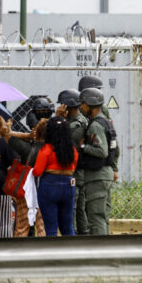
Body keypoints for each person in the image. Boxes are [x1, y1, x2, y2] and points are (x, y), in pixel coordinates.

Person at [79, 88, 117, 235]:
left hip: (97, 177)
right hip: (105, 174)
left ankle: (100, 254)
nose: (81, 107)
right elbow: (115, 148)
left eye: (83, 103)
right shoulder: (106, 122)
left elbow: (102, 151)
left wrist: (83, 146)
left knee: (96, 218)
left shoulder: (95, 125)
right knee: (103, 217)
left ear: (90, 103)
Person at [33, 117, 78, 237]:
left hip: (49, 186)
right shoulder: (72, 150)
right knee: (68, 227)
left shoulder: (46, 149)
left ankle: (52, 254)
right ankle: (72, 253)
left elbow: (37, 171)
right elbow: (74, 166)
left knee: (51, 228)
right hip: (69, 185)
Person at [57, 89, 89, 235]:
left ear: (68, 106)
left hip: (76, 171)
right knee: (79, 206)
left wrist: (59, 119)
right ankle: (83, 234)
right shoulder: (74, 121)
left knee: (74, 206)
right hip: (76, 170)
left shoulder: (77, 124)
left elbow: (61, 140)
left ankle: (74, 236)